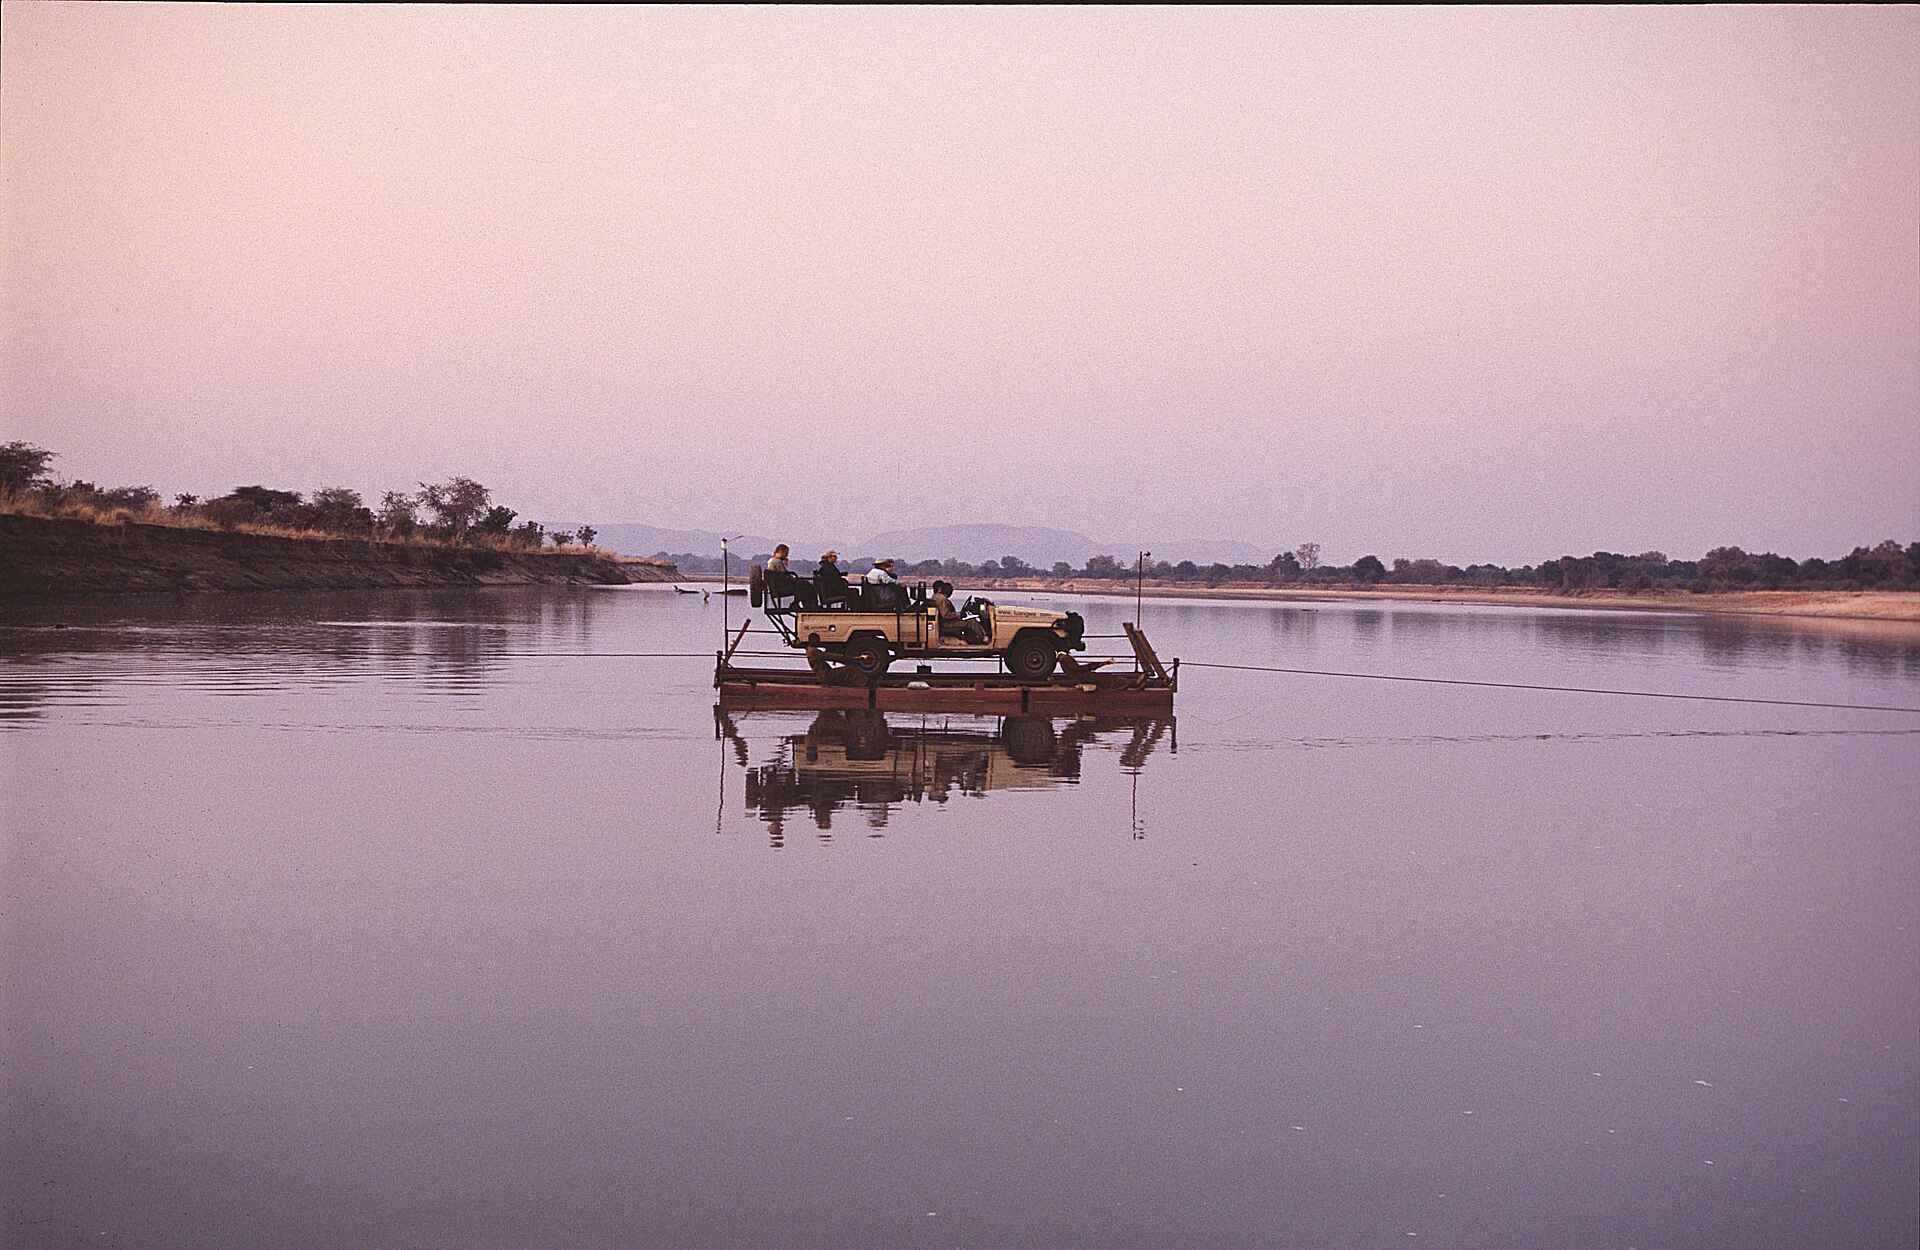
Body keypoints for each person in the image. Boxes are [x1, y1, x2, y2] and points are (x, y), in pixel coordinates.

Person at [931, 579, 986, 644]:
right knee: (971, 622)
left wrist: (959, 614)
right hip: (946, 623)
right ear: (940, 588)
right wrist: (958, 614)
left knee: (968, 621)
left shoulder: (935, 597)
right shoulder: (942, 599)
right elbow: (945, 615)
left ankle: (973, 640)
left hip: (944, 622)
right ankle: (984, 638)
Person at [765, 544, 814, 608]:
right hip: (781, 587)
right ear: (781, 552)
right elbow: (784, 576)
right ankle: (804, 604)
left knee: (802, 584)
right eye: (786, 553)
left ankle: (801, 603)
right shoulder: (776, 562)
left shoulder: (772, 561)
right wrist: (792, 578)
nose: (787, 555)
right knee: (805, 585)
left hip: (778, 586)